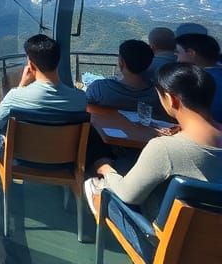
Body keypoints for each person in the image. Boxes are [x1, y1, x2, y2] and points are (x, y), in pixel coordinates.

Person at [87, 62, 222, 262]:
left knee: (96, 187)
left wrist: (105, 169)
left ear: (171, 99)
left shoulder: (165, 148)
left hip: (167, 247)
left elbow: (127, 195)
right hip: (214, 248)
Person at [0, 34, 87, 158]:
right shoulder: (81, 99)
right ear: (58, 61)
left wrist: (21, 86)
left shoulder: (15, 97)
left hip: (20, 160)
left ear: (31, 65)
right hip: (63, 161)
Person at [86, 39, 156, 111]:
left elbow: (82, 108)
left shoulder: (99, 89)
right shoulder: (158, 95)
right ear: (149, 63)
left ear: (121, 63)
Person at [174, 33, 222, 122]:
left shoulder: (197, 81)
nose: (177, 60)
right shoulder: (217, 73)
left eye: (178, 54)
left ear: (191, 53)